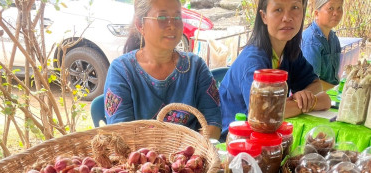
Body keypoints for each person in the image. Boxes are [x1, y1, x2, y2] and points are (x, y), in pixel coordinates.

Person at [103, 0, 222, 139]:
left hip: (192, 157)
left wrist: (189, 157)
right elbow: (121, 134)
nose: (172, 25)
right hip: (139, 158)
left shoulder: (196, 67)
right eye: (162, 18)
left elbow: (213, 123)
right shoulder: (122, 71)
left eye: (178, 17)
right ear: (140, 25)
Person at [219, 0, 331, 141]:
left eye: (295, 7)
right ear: (264, 16)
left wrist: (305, 97)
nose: (287, 17)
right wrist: (314, 102)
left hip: (267, 136)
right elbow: (264, 114)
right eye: (278, 10)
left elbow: (315, 84)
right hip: (235, 143)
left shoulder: (289, 51)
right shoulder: (253, 61)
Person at [302, 0, 343, 90]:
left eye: (339, 8)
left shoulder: (333, 38)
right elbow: (311, 83)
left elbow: (334, 77)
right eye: (330, 8)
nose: (336, 13)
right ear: (317, 14)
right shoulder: (312, 41)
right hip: (313, 98)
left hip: (328, 94)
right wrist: (336, 89)